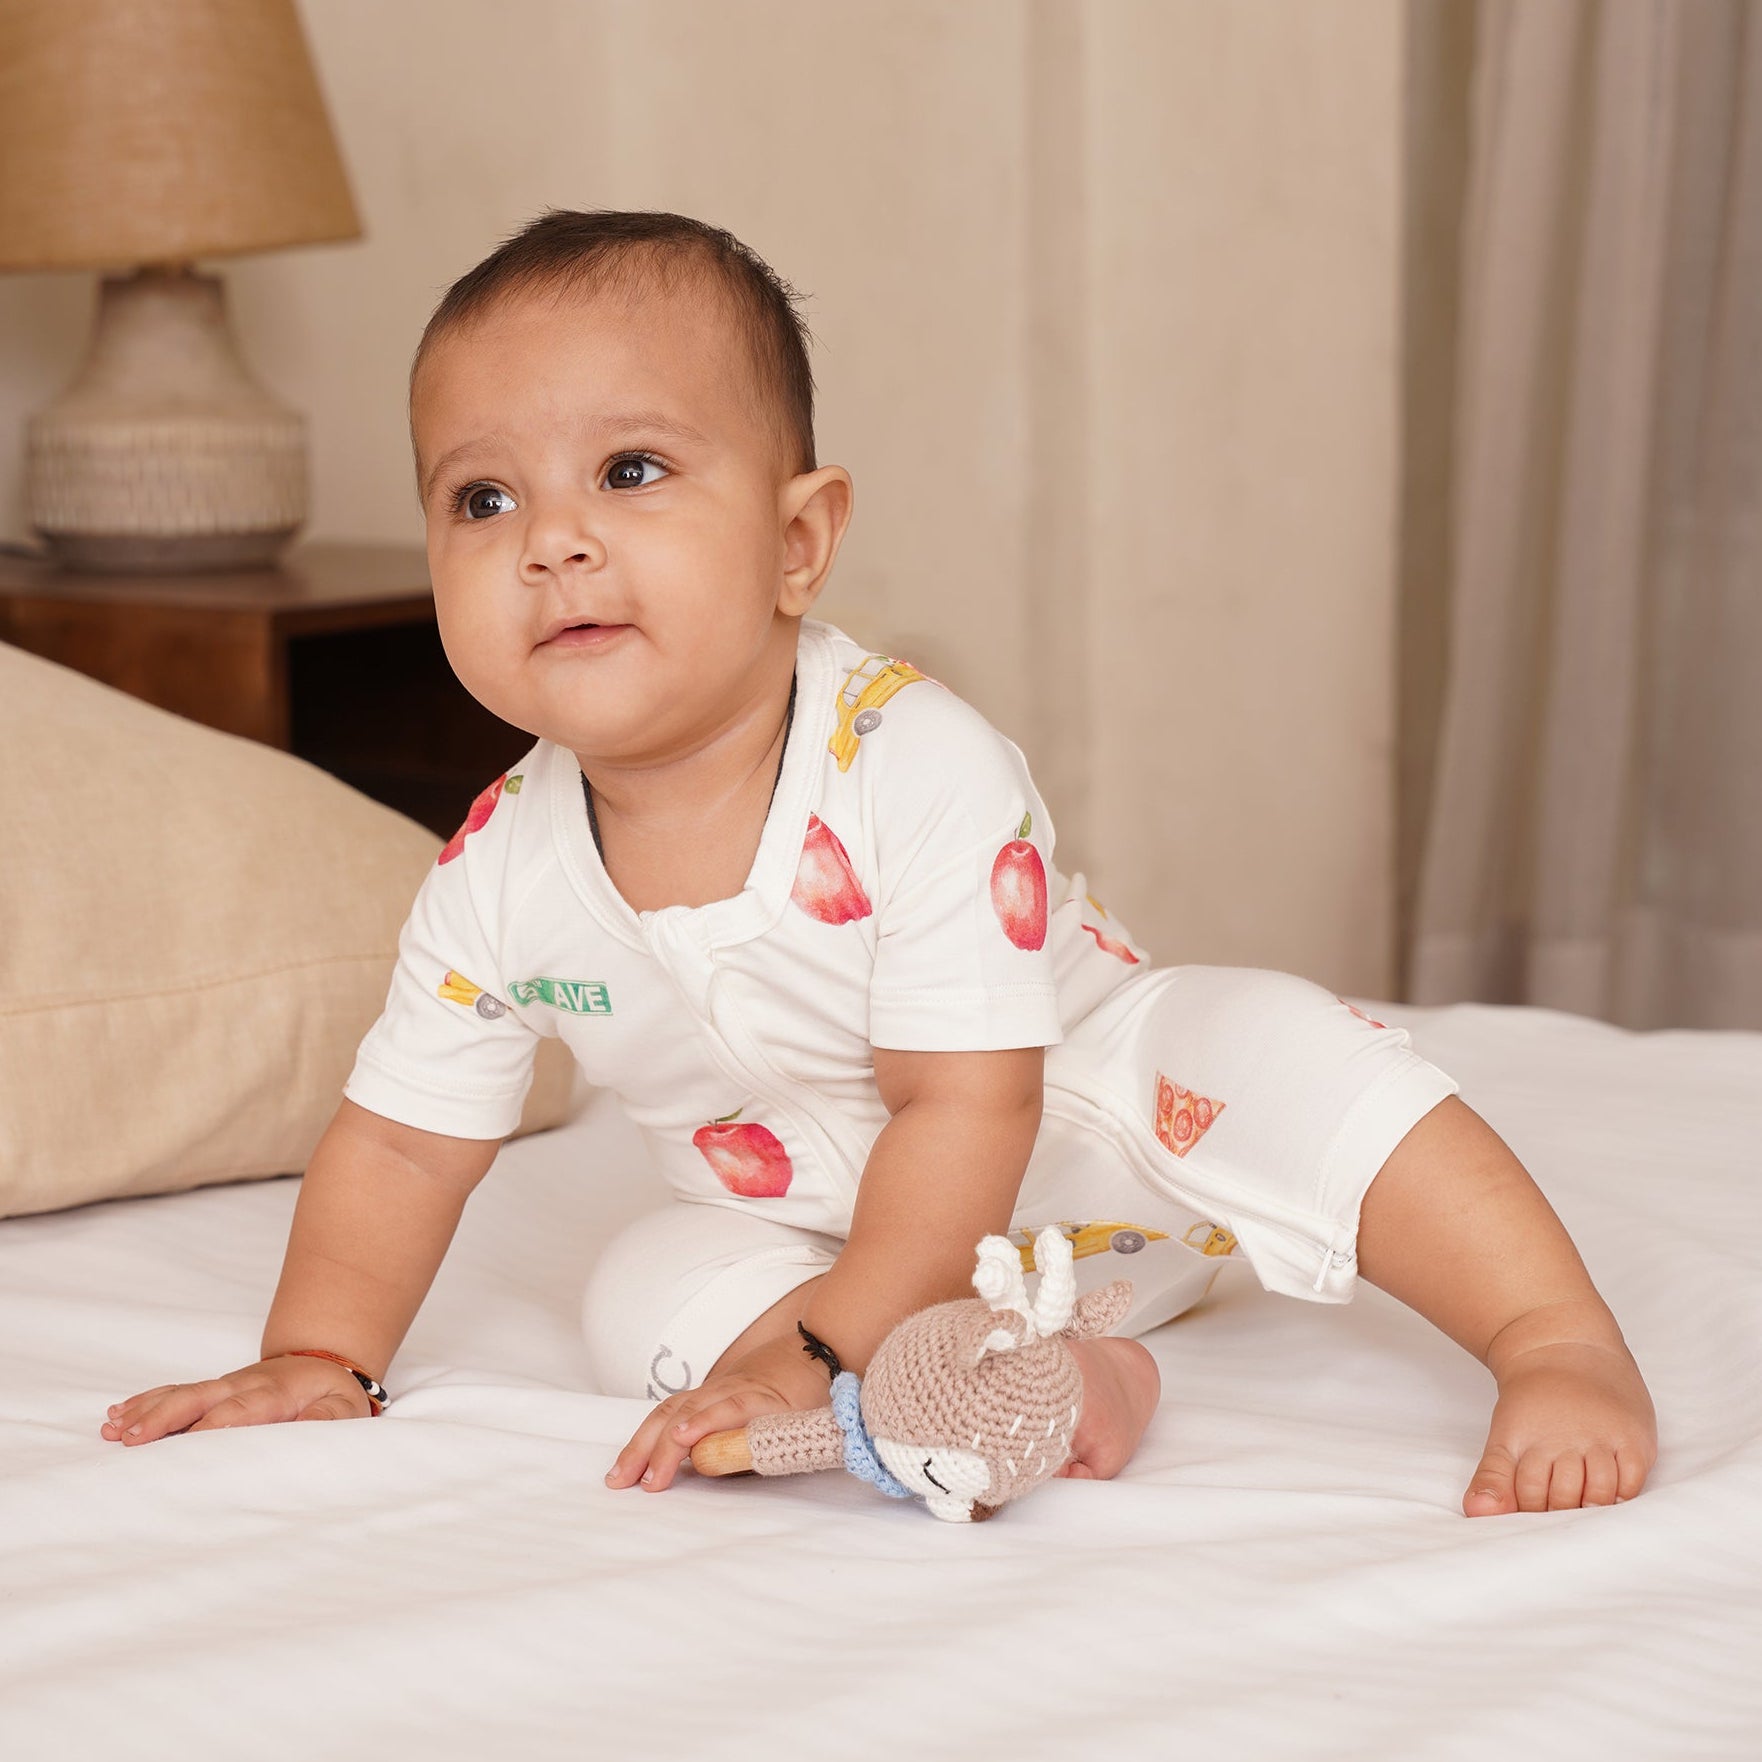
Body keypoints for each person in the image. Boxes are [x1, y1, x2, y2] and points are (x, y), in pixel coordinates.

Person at [100, 210, 1657, 1517]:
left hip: (1087, 1143)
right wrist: (321, 1354)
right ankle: (1040, 1377)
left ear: (796, 543)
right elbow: (396, 1148)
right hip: (829, 1226)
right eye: (482, 496)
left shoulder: (911, 761)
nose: (550, 540)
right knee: (633, 1291)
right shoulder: (498, 870)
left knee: (1275, 1045)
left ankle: (1549, 1330)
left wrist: (828, 1346)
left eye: (629, 470)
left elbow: (967, 1098)